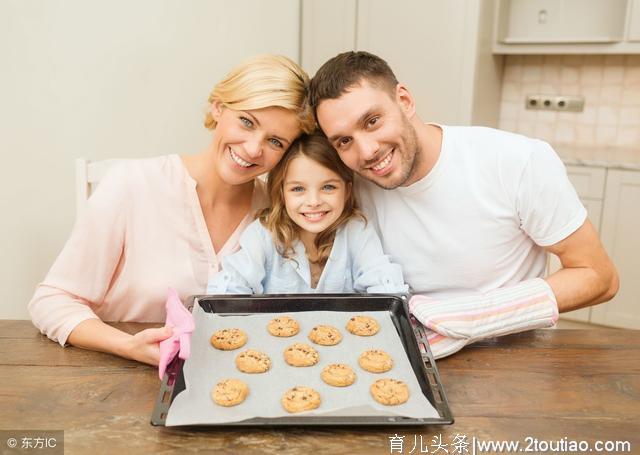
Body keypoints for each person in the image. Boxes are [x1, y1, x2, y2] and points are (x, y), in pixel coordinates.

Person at [308, 51, 619, 358]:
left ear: (404, 100)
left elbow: (599, 276)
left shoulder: (517, 161)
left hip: (512, 358)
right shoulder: (348, 187)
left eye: (372, 121)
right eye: (343, 141)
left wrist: (472, 317)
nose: (367, 151)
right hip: (405, 355)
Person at [28, 54, 315, 366]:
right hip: (119, 382)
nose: (252, 149)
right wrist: (129, 347)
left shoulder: (279, 212)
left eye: (275, 141)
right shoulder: (132, 184)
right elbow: (52, 301)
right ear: (218, 108)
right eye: (246, 121)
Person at [206, 131, 407, 295]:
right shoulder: (263, 234)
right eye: (298, 189)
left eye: (328, 187)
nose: (313, 202)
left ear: (347, 191)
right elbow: (230, 287)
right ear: (282, 192)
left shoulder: (356, 231)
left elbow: (384, 285)